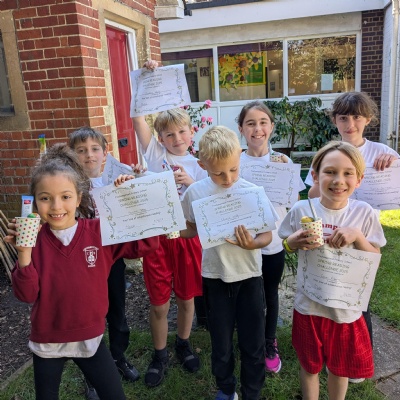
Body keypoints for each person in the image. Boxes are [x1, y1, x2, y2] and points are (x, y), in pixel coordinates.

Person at [4, 143, 158, 400]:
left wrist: (130, 198)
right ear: (35, 201)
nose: (56, 206)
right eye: (45, 198)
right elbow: (26, 294)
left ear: (78, 197)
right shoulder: (33, 240)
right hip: (48, 341)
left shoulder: (99, 231)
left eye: (65, 196)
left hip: (90, 338)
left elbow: (146, 244)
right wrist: (24, 252)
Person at [278, 141, 386, 400]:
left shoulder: (363, 213)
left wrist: (357, 236)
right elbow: (286, 242)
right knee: (309, 367)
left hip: (345, 311)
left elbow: (375, 257)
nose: (339, 180)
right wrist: (292, 242)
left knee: (339, 369)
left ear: (359, 180)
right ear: (315, 176)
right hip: (309, 306)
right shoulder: (302, 209)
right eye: (330, 172)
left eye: (348, 173)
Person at [305, 91, 399, 383]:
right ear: (335, 120)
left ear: (368, 119)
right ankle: (327, 351)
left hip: (361, 238)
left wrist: (392, 159)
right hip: (330, 238)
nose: (350, 123)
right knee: (332, 295)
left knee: (359, 300)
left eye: (357, 117)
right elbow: (311, 195)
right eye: (343, 117)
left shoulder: (381, 152)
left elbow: (393, 189)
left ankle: (358, 359)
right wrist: (323, 178)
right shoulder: (328, 152)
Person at [180, 126, 278, 400]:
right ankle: (226, 389)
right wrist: (171, 230)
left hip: (249, 277)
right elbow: (190, 228)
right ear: (203, 165)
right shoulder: (195, 193)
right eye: (218, 173)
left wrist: (253, 244)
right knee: (221, 343)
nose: (228, 178)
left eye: (234, 169)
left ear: (240, 156)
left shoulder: (252, 191)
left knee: (253, 342)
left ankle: (252, 392)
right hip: (215, 277)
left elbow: (267, 234)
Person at [131, 61, 207, 387]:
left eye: (182, 132)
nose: (177, 138)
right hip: (158, 238)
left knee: (187, 299)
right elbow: (138, 116)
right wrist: (147, 77)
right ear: (160, 138)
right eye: (169, 134)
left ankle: (183, 343)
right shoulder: (154, 154)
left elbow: (209, 201)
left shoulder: (200, 164)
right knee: (159, 303)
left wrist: (191, 182)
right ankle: (160, 353)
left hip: (187, 235)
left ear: (192, 132)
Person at [68, 127, 140, 399]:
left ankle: (118, 357)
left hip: (113, 259)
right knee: (90, 316)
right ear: (72, 155)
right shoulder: (69, 188)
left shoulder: (115, 184)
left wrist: (133, 184)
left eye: (94, 149)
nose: (89, 155)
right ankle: (93, 373)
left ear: (105, 153)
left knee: (117, 310)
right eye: (81, 150)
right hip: (83, 263)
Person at [237, 101, 306, 374]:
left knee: (270, 293)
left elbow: (295, 202)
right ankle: (249, 341)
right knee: (247, 295)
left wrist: (285, 175)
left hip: (273, 243)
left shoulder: (283, 162)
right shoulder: (235, 160)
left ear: (272, 127)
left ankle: (269, 342)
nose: (257, 129)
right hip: (242, 242)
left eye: (263, 122)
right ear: (241, 128)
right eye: (250, 123)